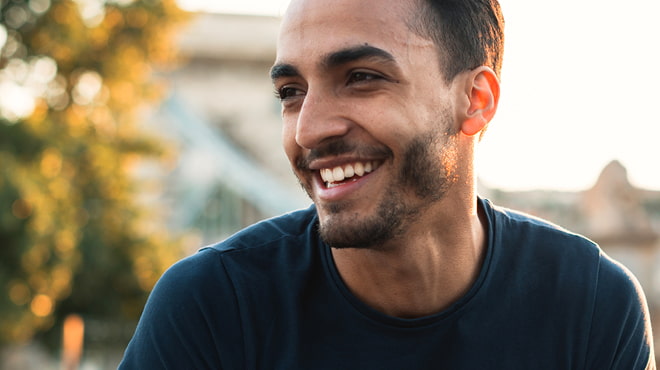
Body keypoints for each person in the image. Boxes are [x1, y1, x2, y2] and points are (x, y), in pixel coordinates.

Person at [119, 0, 656, 368]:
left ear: (475, 101)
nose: (308, 129)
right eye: (290, 91)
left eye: (361, 78)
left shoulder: (589, 306)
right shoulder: (212, 306)